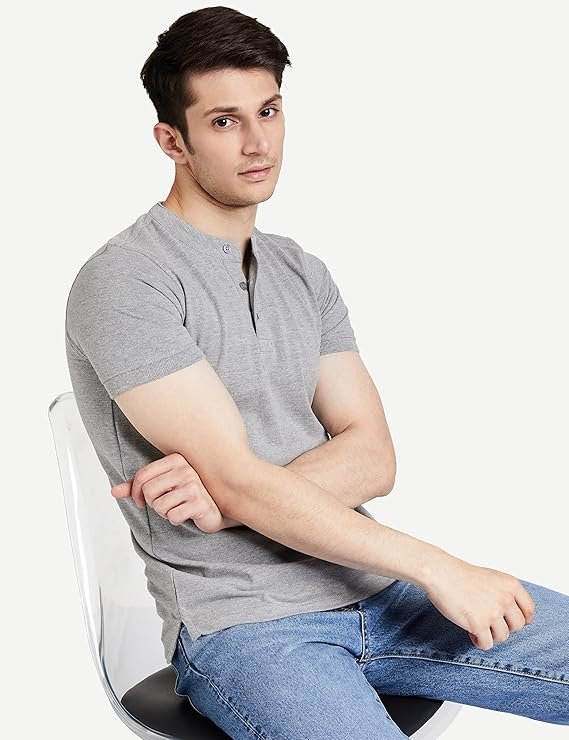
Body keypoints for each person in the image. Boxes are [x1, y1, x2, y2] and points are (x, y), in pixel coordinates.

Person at [65, 6, 569, 737]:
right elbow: (244, 478)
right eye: (224, 121)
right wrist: (439, 566)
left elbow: (374, 456)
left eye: (268, 111)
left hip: (373, 590)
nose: (258, 141)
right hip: (248, 626)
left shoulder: (302, 271)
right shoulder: (126, 281)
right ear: (171, 140)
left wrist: (227, 499)